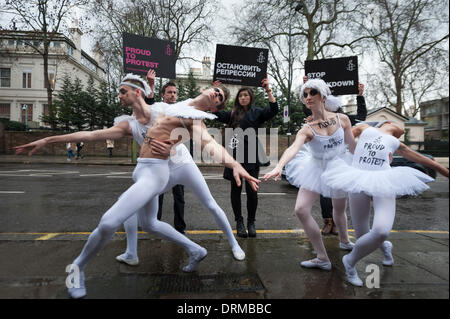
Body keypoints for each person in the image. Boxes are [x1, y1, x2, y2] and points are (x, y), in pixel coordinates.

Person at [14, 73, 258, 298]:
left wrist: (234, 164)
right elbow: (94, 134)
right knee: (149, 224)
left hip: (156, 172)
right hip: (145, 168)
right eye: (217, 90)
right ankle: (192, 250)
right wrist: (48, 139)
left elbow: (209, 144)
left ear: (215, 107)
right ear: (208, 87)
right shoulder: (171, 105)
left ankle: (77, 268)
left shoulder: (196, 119)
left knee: (110, 221)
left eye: (221, 98)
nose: (216, 94)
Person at [321, 121, 449, 286]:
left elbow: (432, 164)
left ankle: (350, 261)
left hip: (384, 181)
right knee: (362, 236)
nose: (402, 131)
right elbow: (338, 140)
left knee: (381, 231)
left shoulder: (397, 144)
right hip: (357, 179)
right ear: (387, 123)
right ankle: (385, 248)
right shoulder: (365, 128)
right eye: (400, 128)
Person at [264, 78, 356, 271]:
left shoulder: (343, 119)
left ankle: (345, 241)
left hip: (340, 167)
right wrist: (279, 166)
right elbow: (293, 148)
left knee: (339, 209)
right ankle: (322, 257)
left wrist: (364, 166)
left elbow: (352, 147)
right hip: (316, 168)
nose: (308, 97)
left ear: (323, 95)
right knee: (301, 210)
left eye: (312, 92)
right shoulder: (307, 128)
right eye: (305, 94)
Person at [288, 76, 367, 235]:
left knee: (340, 202)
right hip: (321, 163)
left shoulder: (343, 119)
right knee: (324, 192)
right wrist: (307, 86)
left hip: (341, 163)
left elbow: (361, 116)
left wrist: (360, 96)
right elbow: (310, 103)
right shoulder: (313, 119)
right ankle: (327, 221)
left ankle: (341, 231)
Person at [213, 77, 279, 238]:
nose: (243, 97)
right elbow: (214, 112)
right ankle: (239, 222)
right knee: (235, 190)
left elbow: (274, 109)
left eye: (246, 95)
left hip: (251, 156)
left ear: (250, 98)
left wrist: (268, 89)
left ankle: (251, 222)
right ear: (238, 98)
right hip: (234, 156)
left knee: (252, 192)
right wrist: (214, 92)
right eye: (240, 95)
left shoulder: (257, 112)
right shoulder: (232, 113)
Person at [145, 71, 187, 234]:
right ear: (163, 95)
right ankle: (155, 225)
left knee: (179, 196)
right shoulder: (157, 109)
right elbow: (148, 103)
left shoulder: (181, 111)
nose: (172, 95)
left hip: (177, 158)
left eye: (175, 93)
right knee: (158, 194)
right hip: (160, 157)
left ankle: (180, 228)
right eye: (169, 92)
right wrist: (151, 84)